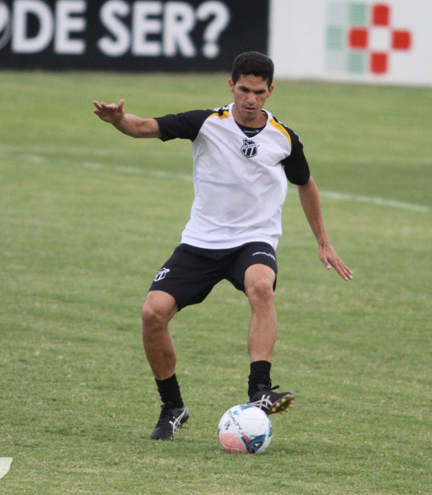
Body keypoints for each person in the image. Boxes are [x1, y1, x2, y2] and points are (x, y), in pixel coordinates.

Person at [93, 51, 352, 440]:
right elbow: (144, 126)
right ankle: (173, 406)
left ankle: (260, 390)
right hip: (201, 242)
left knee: (261, 286)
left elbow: (306, 184)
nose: (251, 99)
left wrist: (323, 241)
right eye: (244, 89)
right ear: (231, 85)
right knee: (152, 314)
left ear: (270, 91)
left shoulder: (284, 138)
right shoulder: (205, 123)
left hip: (254, 239)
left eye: (259, 92)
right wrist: (118, 121)